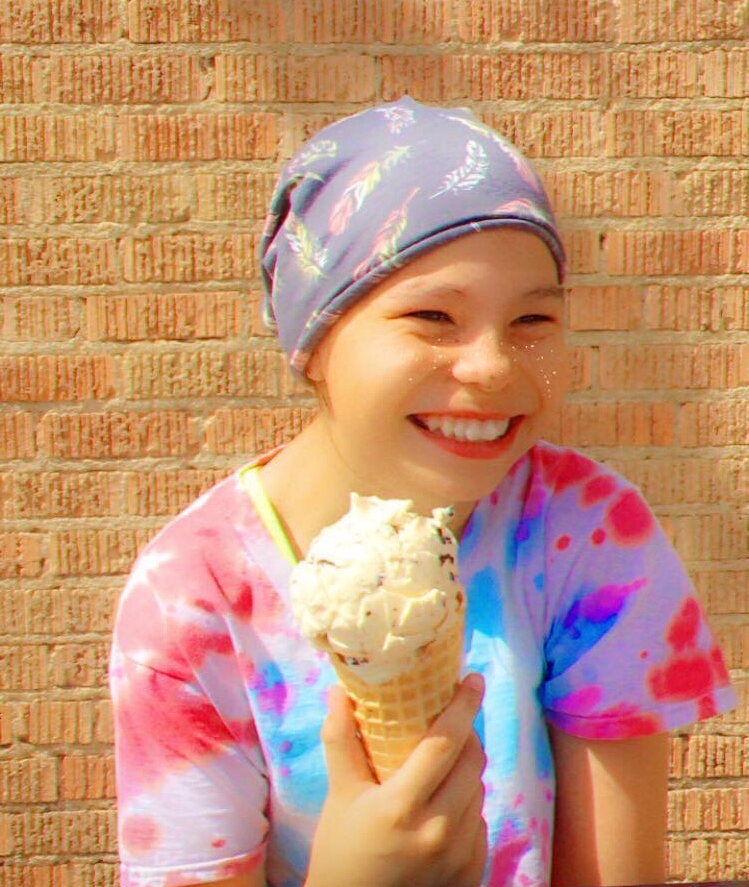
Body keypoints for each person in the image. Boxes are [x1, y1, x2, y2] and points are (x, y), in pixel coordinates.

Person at [109, 97, 736, 887]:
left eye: (533, 321)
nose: (492, 367)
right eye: (432, 316)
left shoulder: (586, 528)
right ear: (313, 340)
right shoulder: (191, 600)